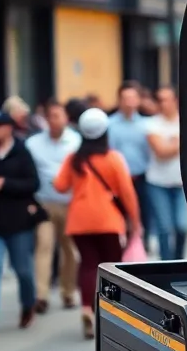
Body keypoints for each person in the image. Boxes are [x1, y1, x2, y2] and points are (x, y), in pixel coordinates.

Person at [54, 109, 141, 339]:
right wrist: (136, 221)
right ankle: (111, 312)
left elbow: (59, 185)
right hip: (108, 220)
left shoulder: (74, 158)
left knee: (88, 265)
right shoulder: (112, 158)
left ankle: (86, 308)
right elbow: (127, 193)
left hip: (79, 220)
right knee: (112, 268)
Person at [0, 110, 42, 336]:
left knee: (23, 270)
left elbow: (33, 183)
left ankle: (27, 305)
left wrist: (7, 184)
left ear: (9, 127)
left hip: (18, 222)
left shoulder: (22, 152)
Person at [25, 99, 82, 313]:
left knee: (70, 251)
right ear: (45, 119)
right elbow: (28, 173)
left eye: (58, 115)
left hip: (70, 204)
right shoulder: (33, 144)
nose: (54, 120)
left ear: (66, 118)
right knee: (44, 246)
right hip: (44, 203)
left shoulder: (76, 142)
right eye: (50, 116)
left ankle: (68, 292)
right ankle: (41, 295)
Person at [145, 86, 187, 261]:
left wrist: (171, 143)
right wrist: (179, 141)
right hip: (158, 183)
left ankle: (177, 260)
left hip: (181, 183)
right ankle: (166, 263)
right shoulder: (152, 124)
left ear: (175, 101)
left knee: (182, 227)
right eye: (159, 99)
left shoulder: (185, 122)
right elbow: (161, 153)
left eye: (166, 99)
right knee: (164, 227)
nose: (162, 103)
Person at [108, 81, 154, 248]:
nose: (129, 102)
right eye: (125, 98)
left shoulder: (147, 125)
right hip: (117, 180)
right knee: (120, 216)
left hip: (141, 176)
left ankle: (141, 246)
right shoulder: (109, 124)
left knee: (144, 214)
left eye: (133, 98)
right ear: (119, 100)